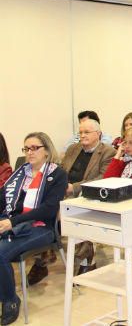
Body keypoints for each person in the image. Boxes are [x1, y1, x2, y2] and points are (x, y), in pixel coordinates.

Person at [0, 132, 67, 325]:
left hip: (42, 227)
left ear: (46, 150)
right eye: (26, 148)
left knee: (1, 253)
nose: (29, 152)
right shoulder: (21, 173)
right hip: (14, 222)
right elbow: (3, 199)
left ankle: (10, 300)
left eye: (34, 148)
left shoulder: (57, 174)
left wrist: (13, 222)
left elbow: (48, 210)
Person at [54, 118, 116, 278]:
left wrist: (73, 188)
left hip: (89, 194)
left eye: (86, 132)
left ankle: (82, 259)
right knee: (42, 207)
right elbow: (61, 170)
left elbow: (103, 179)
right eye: (80, 132)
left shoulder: (108, 152)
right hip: (64, 191)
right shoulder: (73, 149)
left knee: (71, 210)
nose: (82, 135)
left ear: (98, 134)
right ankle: (45, 253)